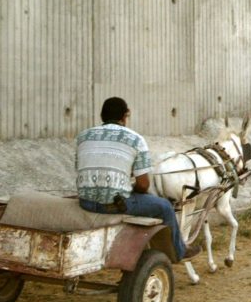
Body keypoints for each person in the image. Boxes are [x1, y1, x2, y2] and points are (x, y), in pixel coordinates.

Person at [76, 97, 199, 260]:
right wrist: (131, 188)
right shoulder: (135, 139)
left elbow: (81, 168)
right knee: (164, 206)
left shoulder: (83, 136)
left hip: (86, 202)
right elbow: (143, 185)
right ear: (124, 116)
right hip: (113, 205)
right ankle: (179, 251)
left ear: (102, 116)